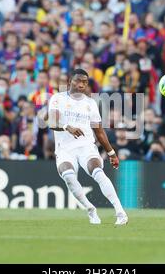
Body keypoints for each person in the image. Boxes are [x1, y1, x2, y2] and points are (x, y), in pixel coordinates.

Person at [47, 68, 128, 225]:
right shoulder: (58, 98)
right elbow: (51, 122)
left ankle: (120, 212)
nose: (82, 84)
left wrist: (111, 153)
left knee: (97, 171)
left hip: (86, 146)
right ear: (70, 81)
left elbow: (99, 132)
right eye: (78, 80)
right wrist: (67, 127)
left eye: (85, 82)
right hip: (64, 149)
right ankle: (90, 209)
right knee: (69, 176)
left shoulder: (90, 103)